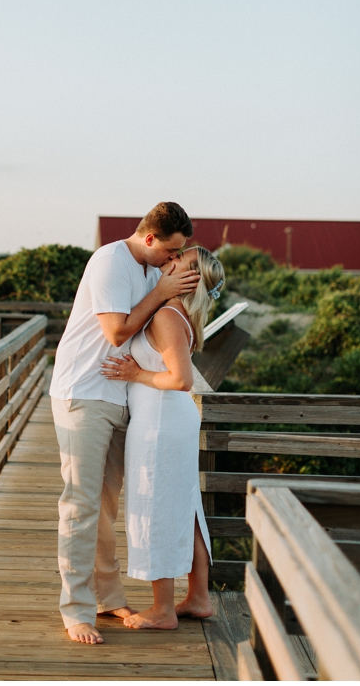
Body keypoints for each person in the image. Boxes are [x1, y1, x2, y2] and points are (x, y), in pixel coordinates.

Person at [50, 202, 199, 645]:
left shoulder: (154, 272)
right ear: (149, 238)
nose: (174, 261)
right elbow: (116, 332)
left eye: (180, 254)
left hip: (120, 396)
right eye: (170, 251)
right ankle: (76, 610)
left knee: (105, 506)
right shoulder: (111, 261)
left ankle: (106, 596)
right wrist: (161, 291)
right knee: (80, 503)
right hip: (85, 392)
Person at [99, 245, 224, 629]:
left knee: (155, 506)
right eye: (172, 259)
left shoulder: (168, 315)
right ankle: (198, 598)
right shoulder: (178, 313)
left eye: (179, 263)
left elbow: (181, 380)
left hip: (161, 422)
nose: (169, 265)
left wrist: (136, 375)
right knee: (185, 507)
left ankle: (162, 609)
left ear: (191, 279)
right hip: (170, 418)